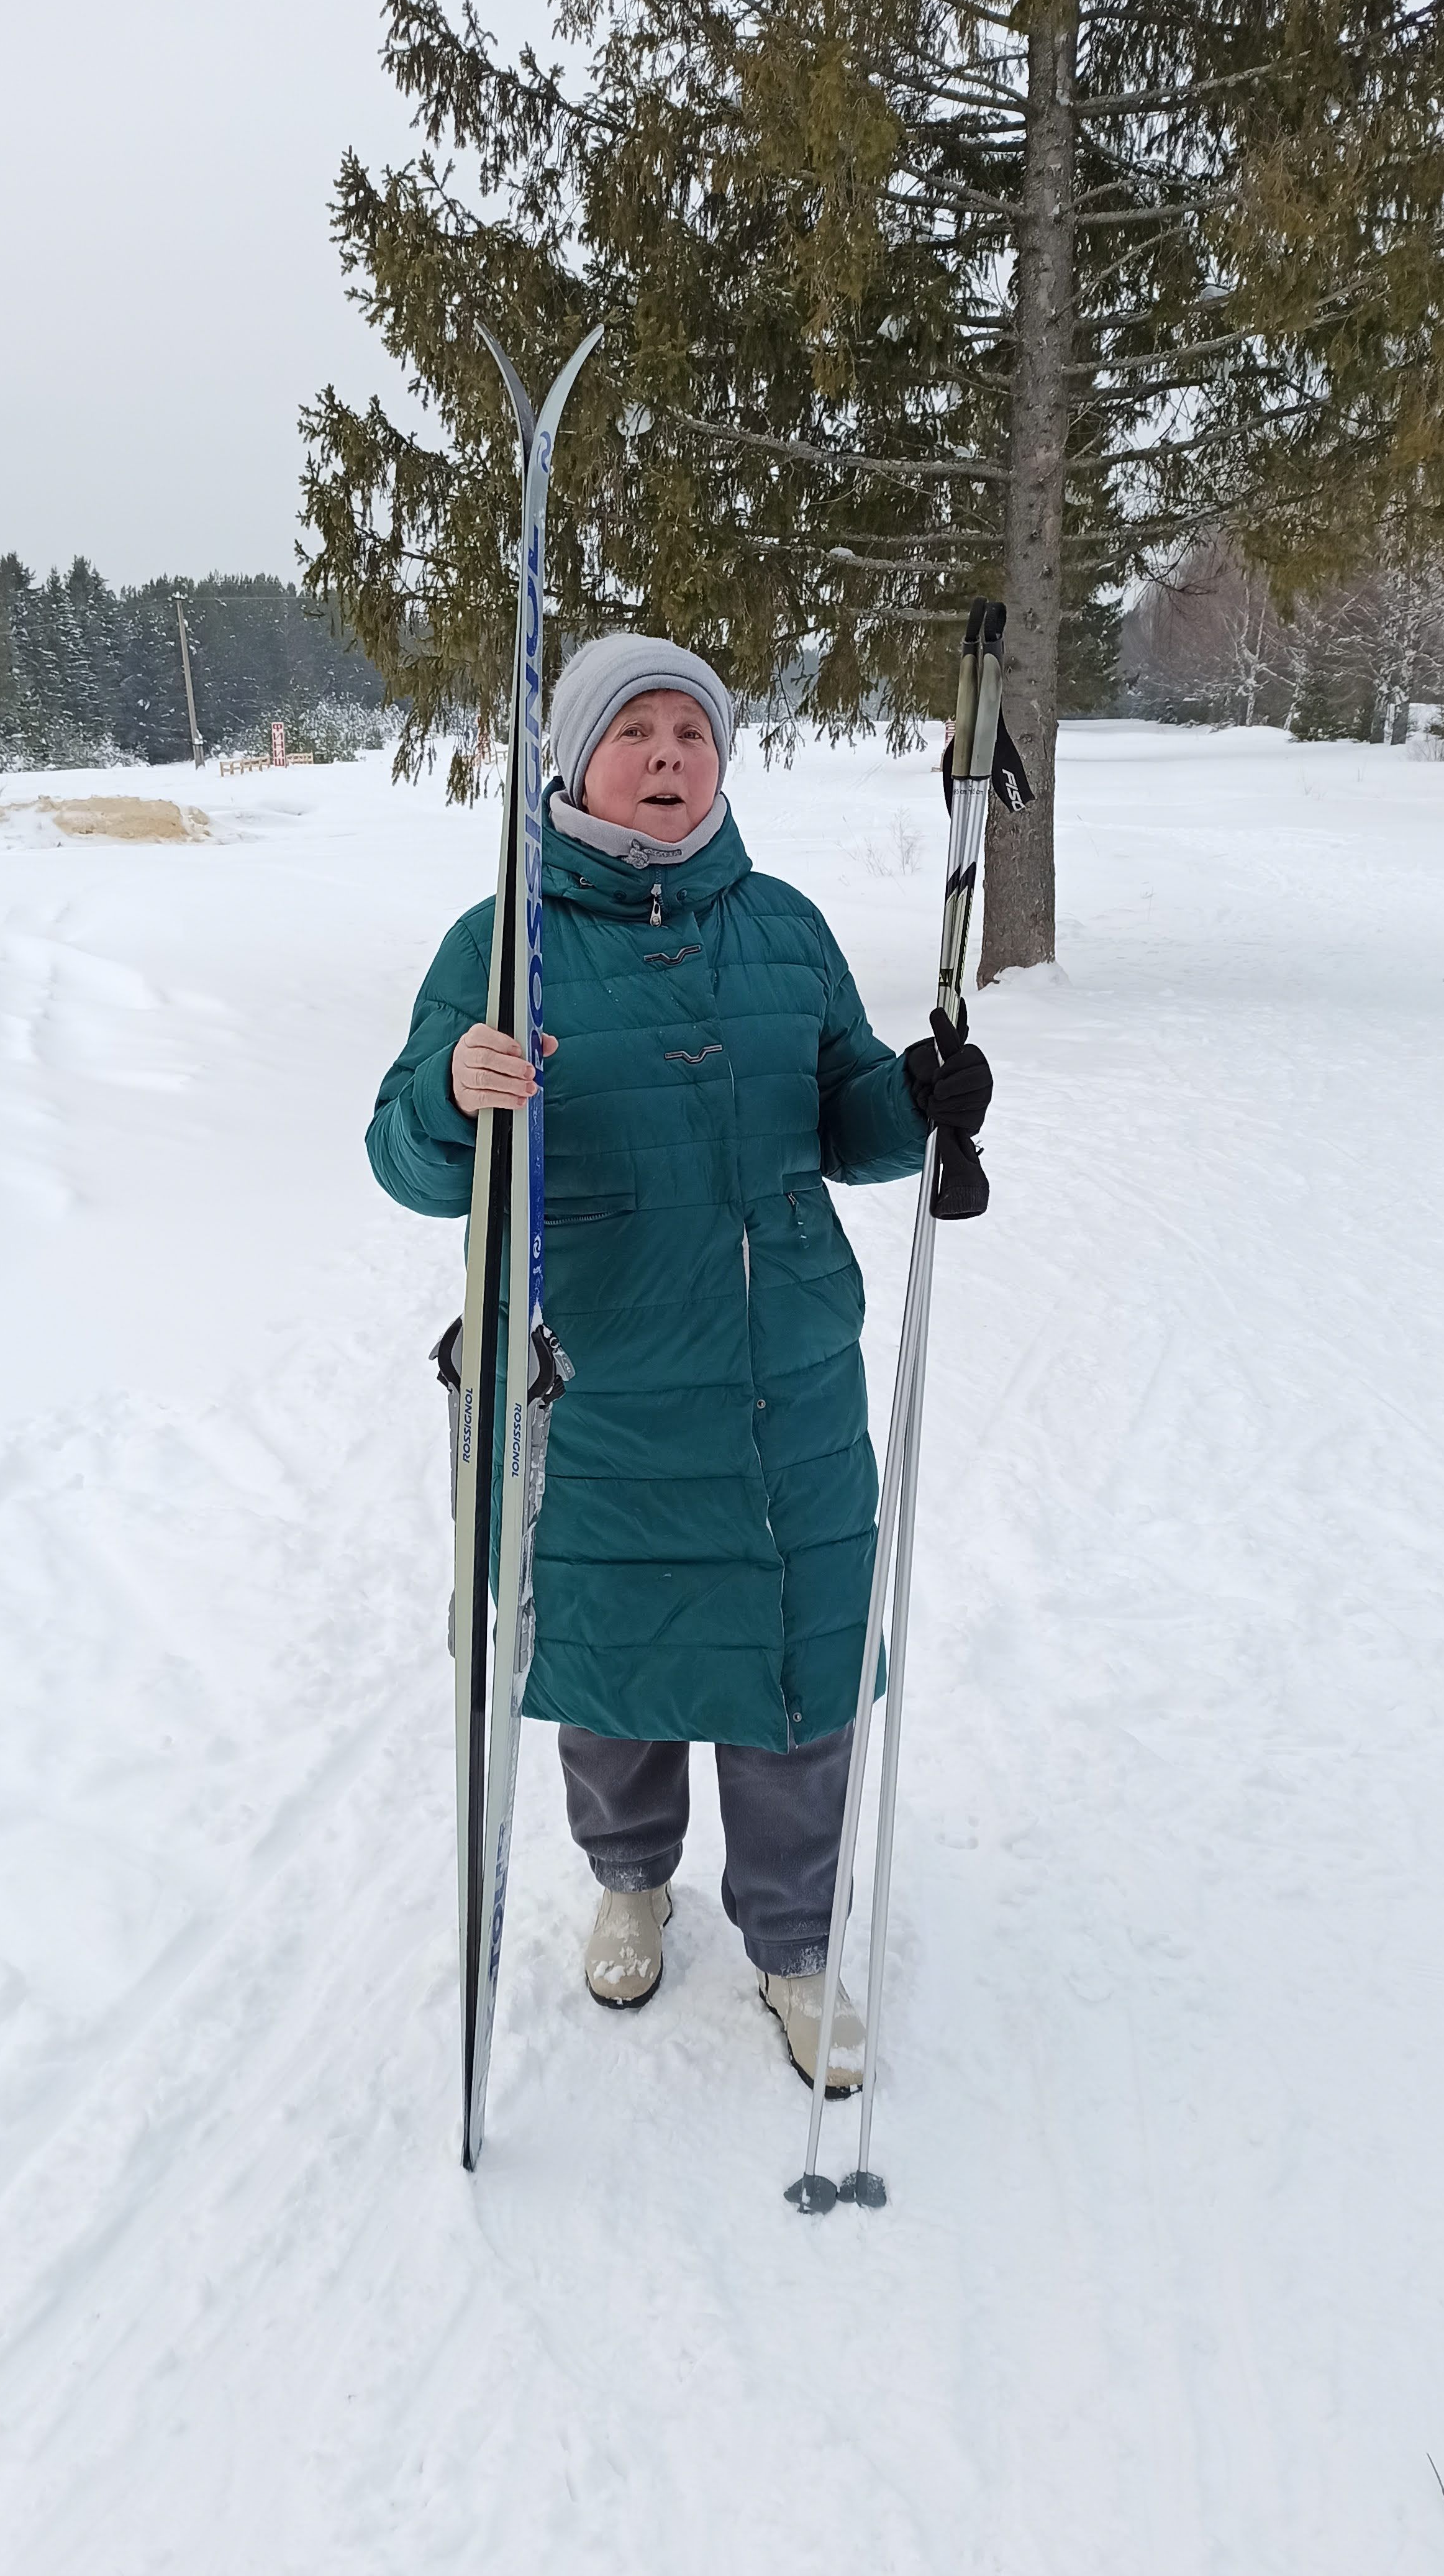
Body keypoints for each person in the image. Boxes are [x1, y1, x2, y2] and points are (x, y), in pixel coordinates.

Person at [366, 633, 991, 2093]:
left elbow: (842, 1115)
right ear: (571, 764)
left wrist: (912, 1094)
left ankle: (790, 1942)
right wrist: (455, 1092)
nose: (667, 757)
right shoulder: (500, 945)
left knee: (793, 1680)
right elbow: (406, 1158)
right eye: (633, 731)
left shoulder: (781, 925)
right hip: (598, 1384)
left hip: (785, 1384)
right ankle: (630, 1877)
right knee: (613, 1671)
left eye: (692, 734)